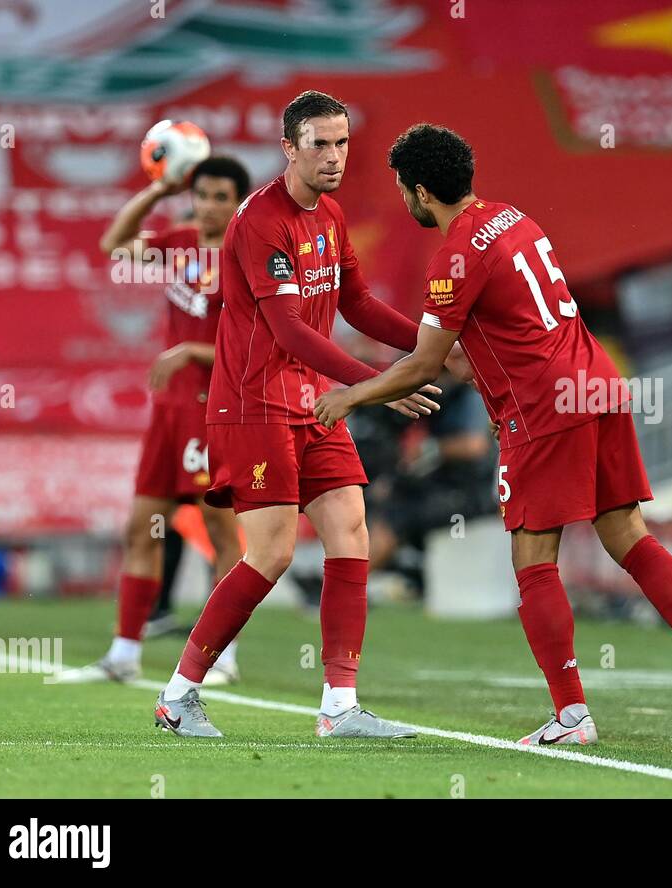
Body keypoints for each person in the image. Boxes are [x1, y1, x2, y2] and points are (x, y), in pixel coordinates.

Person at [314, 123, 672, 745]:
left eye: (402, 188)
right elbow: (468, 350)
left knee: (533, 559)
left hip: (542, 411)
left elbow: (427, 363)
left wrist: (349, 395)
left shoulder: (455, 255)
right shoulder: (512, 218)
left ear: (421, 190)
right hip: (598, 385)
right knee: (627, 534)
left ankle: (572, 715)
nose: (404, 198)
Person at [152, 90, 462, 739]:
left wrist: (432, 345)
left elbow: (359, 304)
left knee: (350, 531)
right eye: (319, 143)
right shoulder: (261, 221)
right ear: (289, 147)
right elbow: (289, 332)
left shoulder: (331, 215)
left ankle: (339, 706)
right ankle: (178, 694)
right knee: (271, 554)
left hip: (313, 401)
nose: (333, 156)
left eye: (342, 142)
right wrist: (379, 383)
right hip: (254, 403)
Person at [57, 155, 252, 687]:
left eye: (220, 197)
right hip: (168, 410)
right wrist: (156, 191)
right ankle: (123, 653)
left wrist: (192, 349)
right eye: (201, 194)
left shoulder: (248, 255)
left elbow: (261, 344)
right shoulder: (179, 240)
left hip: (214, 409)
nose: (208, 206)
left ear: (239, 203)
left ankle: (223, 656)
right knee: (141, 526)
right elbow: (113, 246)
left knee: (218, 530)